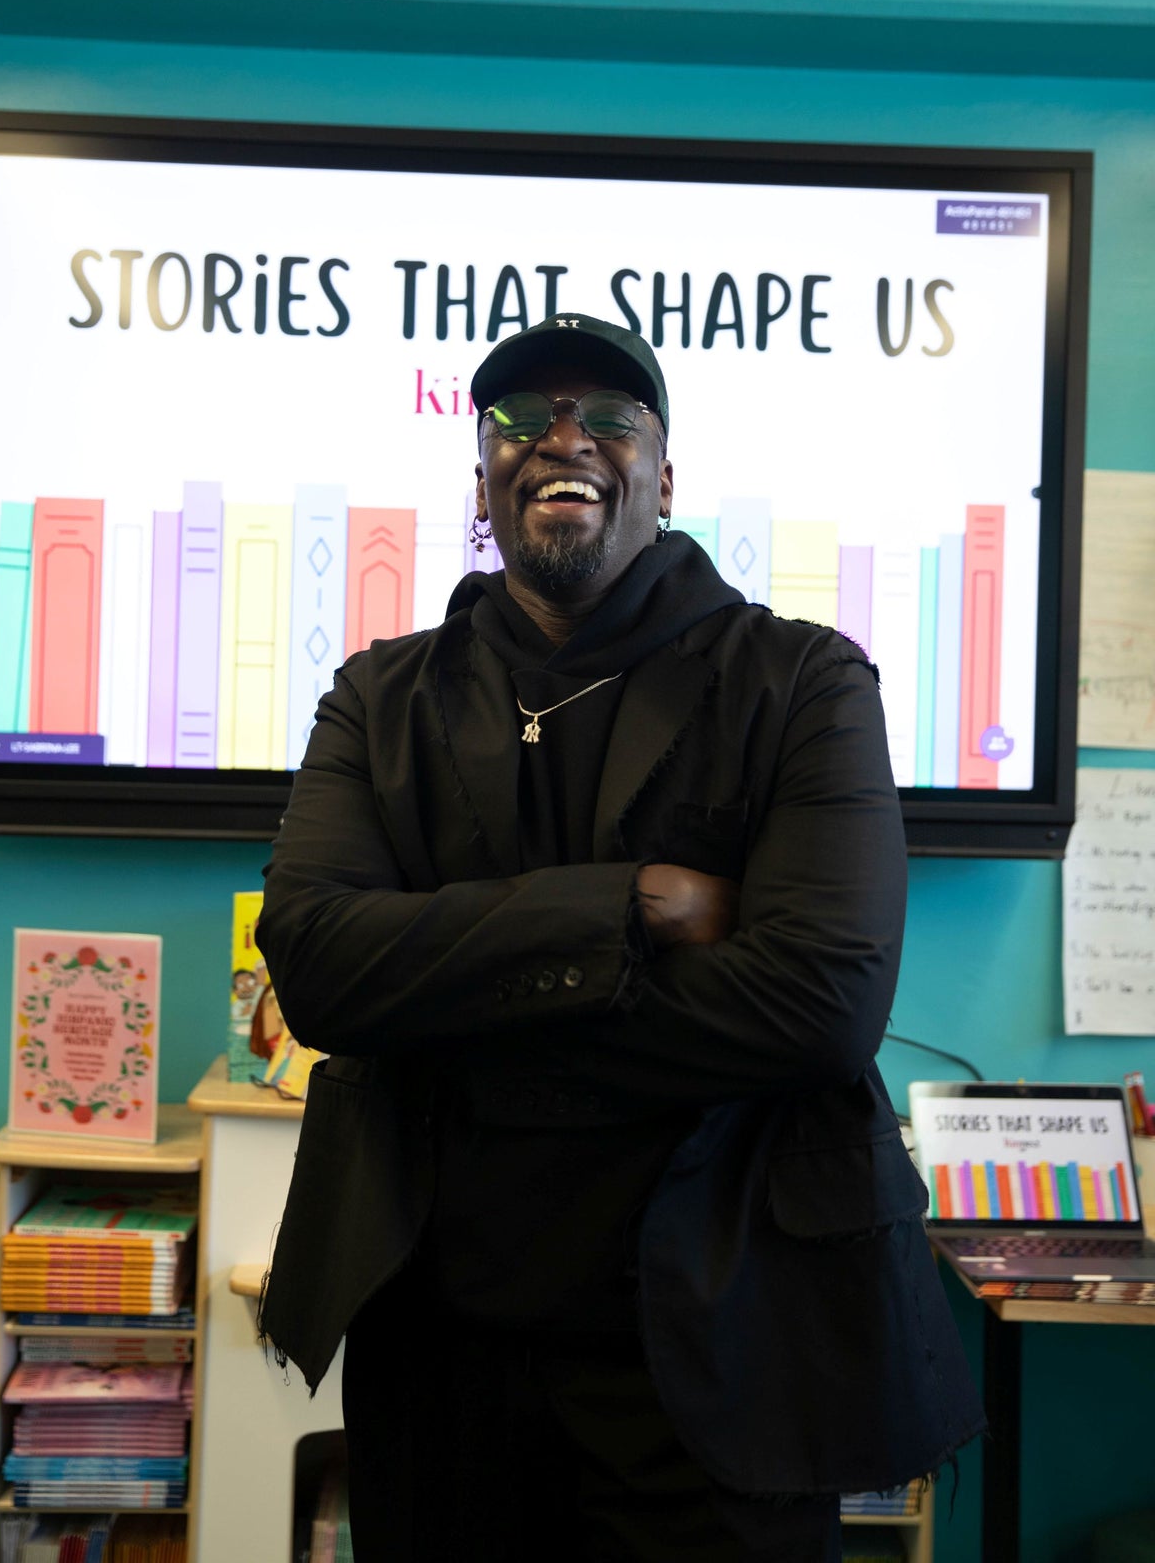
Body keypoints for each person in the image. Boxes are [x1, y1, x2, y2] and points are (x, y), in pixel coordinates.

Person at [256, 312, 984, 1561]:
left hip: (727, 1357)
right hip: (437, 1360)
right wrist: (635, 902)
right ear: (482, 478)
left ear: (664, 473)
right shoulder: (380, 698)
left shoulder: (801, 683)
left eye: (607, 415)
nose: (562, 439)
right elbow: (318, 965)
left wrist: (450, 1015)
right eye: (519, 419)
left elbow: (819, 1005)